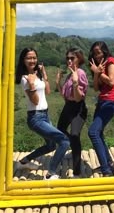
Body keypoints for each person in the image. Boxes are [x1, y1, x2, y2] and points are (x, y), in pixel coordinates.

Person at [15, 47, 70, 180]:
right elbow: (35, 101)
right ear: (23, 60)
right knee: (64, 141)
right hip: (36, 117)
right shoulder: (25, 78)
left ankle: (24, 162)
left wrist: (44, 76)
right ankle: (50, 173)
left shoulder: (36, 75)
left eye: (34, 57)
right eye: (29, 58)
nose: (32, 60)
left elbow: (47, 92)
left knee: (51, 145)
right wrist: (32, 85)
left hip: (44, 115)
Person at [88, 41, 114, 177]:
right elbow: (96, 88)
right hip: (102, 100)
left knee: (93, 132)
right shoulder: (99, 66)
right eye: (95, 53)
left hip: (111, 101)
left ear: (105, 52)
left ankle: (107, 170)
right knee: (98, 132)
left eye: (99, 52)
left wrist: (98, 72)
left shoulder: (111, 61)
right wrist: (96, 74)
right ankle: (109, 163)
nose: (97, 55)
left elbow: (111, 81)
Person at [56, 47, 88, 178]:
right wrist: (58, 83)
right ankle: (74, 148)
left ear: (79, 59)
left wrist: (75, 83)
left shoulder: (80, 73)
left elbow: (78, 98)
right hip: (68, 106)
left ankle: (77, 171)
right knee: (60, 129)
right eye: (67, 58)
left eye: (72, 58)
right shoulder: (70, 74)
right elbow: (65, 96)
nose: (69, 60)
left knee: (75, 135)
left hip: (78, 108)